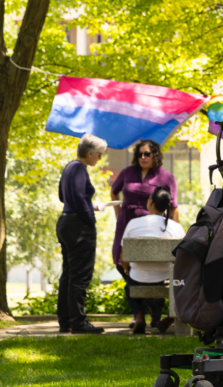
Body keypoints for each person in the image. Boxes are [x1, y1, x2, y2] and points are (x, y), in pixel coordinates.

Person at [111, 139, 179, 333]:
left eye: (147, 154)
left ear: (155, 155)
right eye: (140, 154)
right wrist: (118, 215)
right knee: (122, 262)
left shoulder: (166, 177)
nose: (143, 157)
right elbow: (113, 191)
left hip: (154, 226)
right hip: (128, 225)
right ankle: (142, 312)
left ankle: (147, 312)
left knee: (151, 265)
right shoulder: (127, 173)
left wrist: (171, 228)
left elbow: (173, 207)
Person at [56, 134, 108, 335]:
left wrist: (89, 205)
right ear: (90, 153)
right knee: (79, 276)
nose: (100, 159)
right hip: (78, 226)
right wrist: (89, 219)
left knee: (69, 274)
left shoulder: (69, 167)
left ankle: (66, 321)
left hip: (65, 221)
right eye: (99, 155)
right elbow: (78, 197)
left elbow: (64, 196)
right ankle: (78, 322)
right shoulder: (79, 168)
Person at [121, 187, 185, 335]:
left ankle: (139, 316)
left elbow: (123, 258)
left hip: (137, 279)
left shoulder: (133, 224)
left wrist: (128, 270)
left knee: (128, 286)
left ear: (150, 202)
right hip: (164, 278)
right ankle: (171, 316)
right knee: (183, 281)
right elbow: (182, 259)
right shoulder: (176, 227)